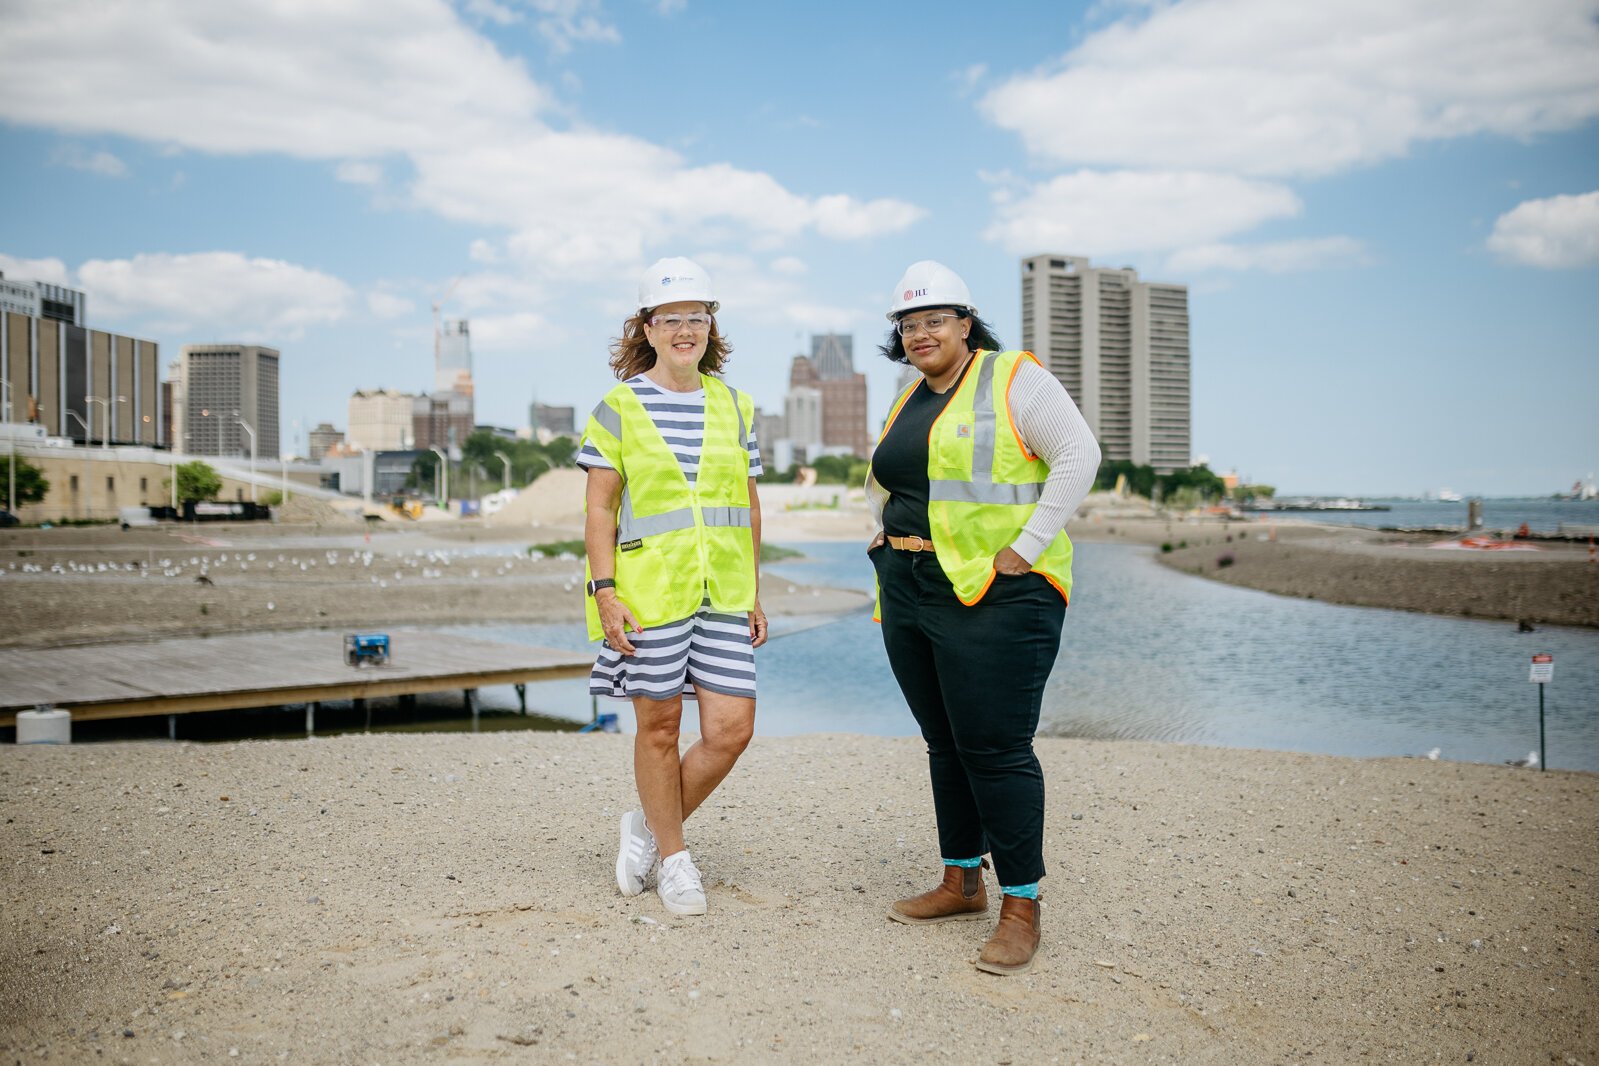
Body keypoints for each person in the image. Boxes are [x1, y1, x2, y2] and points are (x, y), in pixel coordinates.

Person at [865, 260, 1100, 975]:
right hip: (909, 582)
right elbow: (900, 478)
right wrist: (879, 538)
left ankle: (1021, 905)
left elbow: (1077, 455)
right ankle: (961, 880)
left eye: (935, 320)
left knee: (994, 747)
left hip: (998, 591)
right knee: (945, 740)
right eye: (908, 325)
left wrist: (1025, 549)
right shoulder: (909, 396)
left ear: (965, 323)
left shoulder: (1013, 377)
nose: (920, 334)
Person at [578, 256, 768, 918]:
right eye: (671, 319)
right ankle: (677, 859)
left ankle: (646, 827)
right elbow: (599, 508)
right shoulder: (619, 407)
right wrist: (604, 591)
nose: (684, 329)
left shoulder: (736, 406)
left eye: (696, 317)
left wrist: (753, 590)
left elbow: (746, 505)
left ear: (710, 327)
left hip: (722, 593)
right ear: (648, 328)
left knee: (731, 729)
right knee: (658, 727)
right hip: (647, 595)